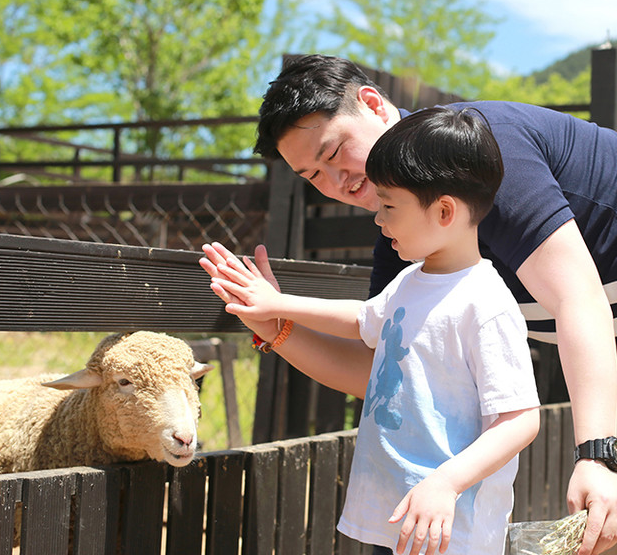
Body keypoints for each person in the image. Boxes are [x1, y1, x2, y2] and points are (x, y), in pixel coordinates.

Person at [205, 54, 617, 555]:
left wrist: (595, 455)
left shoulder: (479, 153)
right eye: (313, 176)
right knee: (608, 543)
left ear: (371, 103)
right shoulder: (405, 226)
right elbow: (392, 371)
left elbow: (576, 296)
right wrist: (276, 328)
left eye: (334, 152)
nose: (336, 182)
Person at [205, 106, 541, 555]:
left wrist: (445, 483)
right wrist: (277, 306)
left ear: (444, 211)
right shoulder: (410, 279)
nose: (378, 219)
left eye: (389, 206)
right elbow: (363, 321)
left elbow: (520, 420)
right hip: (398, 513)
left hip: (450, 525)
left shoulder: (486, 303)